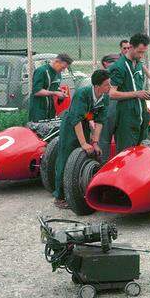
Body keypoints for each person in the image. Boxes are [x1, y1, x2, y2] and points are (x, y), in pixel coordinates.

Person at [53, 69, 111, 208]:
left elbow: (100, 121)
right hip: (71, 125)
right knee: (66, 158)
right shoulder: (82, 93)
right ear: (97, 86)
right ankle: (59, 197)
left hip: (84, 124)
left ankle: (76, 192)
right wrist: (84, 143)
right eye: (107, 85)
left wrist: (95, 142)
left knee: (84, 156)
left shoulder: (105, 97)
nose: (109, 87)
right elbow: (76, 119)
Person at [108, 33, 150, 153]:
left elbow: (138, 89)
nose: (142, 55)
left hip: (140, 116)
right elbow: (112, 94)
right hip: (126, 118)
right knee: (126, 154)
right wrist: (136, 94)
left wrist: (146, 94)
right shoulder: (119, 67)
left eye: (144, 52)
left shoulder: (139, 64)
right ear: (131, 47)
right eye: (140, 52)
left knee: (141, 153)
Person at [28, 53, 72, 122]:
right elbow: (36, 91)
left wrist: (61, 94)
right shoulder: (41, 71)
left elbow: (53, 88)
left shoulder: (58, 73)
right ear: (56, 61)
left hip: (51, 109)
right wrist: (55, 93)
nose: (63, 70)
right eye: (63, 67)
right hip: (39, 109)